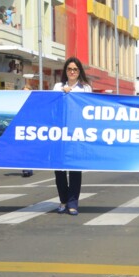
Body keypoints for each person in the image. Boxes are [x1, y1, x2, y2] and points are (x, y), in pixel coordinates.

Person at [52, 57, 92, 216]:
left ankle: (73, 202)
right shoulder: (58, 86)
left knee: (75, 169)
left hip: (77, 134)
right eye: (70, 69)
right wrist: (64, 93)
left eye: (75, 69)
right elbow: (53, 104)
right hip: (59, 134)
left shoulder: (86, 88)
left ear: (79, 71)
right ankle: (63, 200)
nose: (72, 72)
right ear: (65, 71)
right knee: (59, 169)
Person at [21, 85, 34, 178]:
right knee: (23, 150)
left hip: (31, 129)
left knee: (29, 150)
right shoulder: (18, 103)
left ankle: (29, 168)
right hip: (21, 129)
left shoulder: (34, 103)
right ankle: (25, 168)